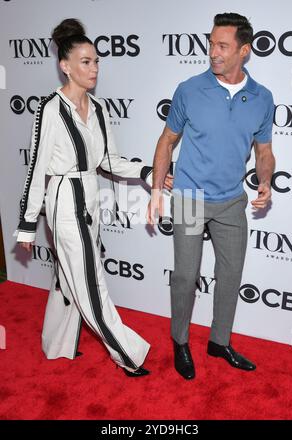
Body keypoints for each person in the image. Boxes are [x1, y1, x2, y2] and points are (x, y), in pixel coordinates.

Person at [16, 18, 172, 377]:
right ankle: (128, 354)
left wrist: (149, 173)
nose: (94, 68)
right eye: (85, 61)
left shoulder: (99, 109)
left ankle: (55, 344)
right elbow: (37, 168)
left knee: (68, 278)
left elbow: (109, 161)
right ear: (65, 66)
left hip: (90, 198)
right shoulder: (51, 109)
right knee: (90, 281)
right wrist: (27, 226)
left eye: (97, 61)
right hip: (63, 200)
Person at [148, 12, 275, 379]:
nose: (213, 51)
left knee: (231, 274)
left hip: (232, 200)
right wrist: (157, 188)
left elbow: (264, 150)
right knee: (186, 276)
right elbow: (167, 140)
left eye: (222, 45)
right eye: (211, 43)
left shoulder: (262, 98)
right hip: (188, 196)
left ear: (244, 50)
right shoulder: (189, 89)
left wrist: (264, 179)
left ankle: (219, 342)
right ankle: (180, 341)